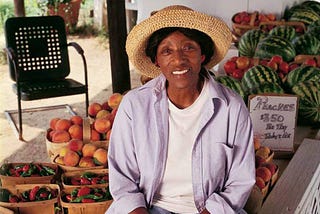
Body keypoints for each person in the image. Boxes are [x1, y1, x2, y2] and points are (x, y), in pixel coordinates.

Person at [106, 5, 255, 214]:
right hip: (149, 208)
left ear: (202, 54)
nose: (178, 59)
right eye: (167, 51)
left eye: (188, 48)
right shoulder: (134, 106)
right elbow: (123, 179)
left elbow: (240, 181)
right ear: (156, 60)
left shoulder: (232, 108)